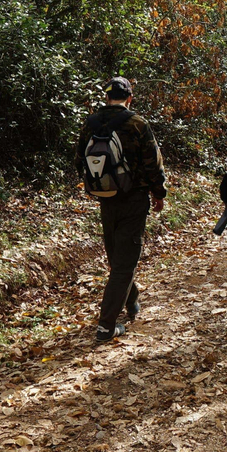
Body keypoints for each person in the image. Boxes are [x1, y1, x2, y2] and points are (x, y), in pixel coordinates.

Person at [74, 76, 167, 343]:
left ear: (106, 97)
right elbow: (153, 163)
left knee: (118, 258)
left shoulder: (90, 123)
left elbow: (79, 160)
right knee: (124, 262)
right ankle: (106, 326)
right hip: (134, 199)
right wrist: (158, 193)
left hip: (106, 199)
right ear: (129, 98)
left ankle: (131, 302)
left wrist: (102, 183)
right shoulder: (137, 123)